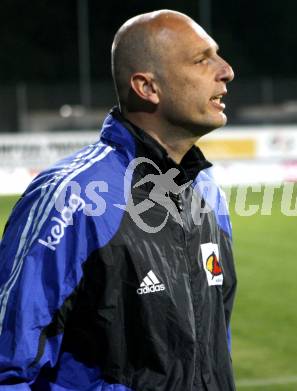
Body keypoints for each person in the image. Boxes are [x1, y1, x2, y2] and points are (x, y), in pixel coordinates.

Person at [0, 9, 236, 391]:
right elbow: (9, 369)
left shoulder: (206, 190)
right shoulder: (71, 197)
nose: (226, 70)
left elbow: (213, 347)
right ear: (148, 87)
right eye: (201, 59)